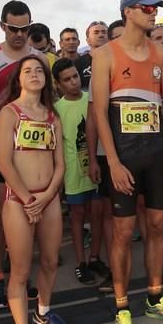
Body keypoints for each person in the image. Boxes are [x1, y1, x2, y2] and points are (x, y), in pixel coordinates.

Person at [92, 0, 163, 324]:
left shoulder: (159, 50)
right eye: (148, 8)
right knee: (123, 231)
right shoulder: (105, 55)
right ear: (128, 11)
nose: (154, 13)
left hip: (158, 152)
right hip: (124, 156)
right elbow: (100, 113)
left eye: (156, 8)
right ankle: (121, 306)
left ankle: (154, 297)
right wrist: (112, 162)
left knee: (159, 225)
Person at [0, 0, 46, 309]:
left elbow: (48, 107)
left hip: (29, 154)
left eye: (25, 28)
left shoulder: (38, 58)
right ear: (2, 26)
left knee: (28, 217)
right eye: (13, 28)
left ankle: (21, 274)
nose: (19, 34)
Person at [0, 55, 68, 324]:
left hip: (47, 199)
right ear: (18, 79)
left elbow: (60, 163)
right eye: (28, 70)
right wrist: (28, 200)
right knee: (21, 271)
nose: (34, 74)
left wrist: (48, 194)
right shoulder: (9, 113)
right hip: (19, 202)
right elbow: (4, 163)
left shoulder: (53, 115)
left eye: (40, 70)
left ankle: (43, 312)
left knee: (50, 261)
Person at [53, 58, 105, 286]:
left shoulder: (91, 100)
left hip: (97, 166)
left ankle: (95, 257)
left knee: (98, 213)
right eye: (67, 79)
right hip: (73, 171)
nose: (74, 82)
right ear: (58, 84)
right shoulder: (56, 110)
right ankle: (80, 262)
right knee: (76, 216)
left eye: (75, 76)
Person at [76, 21, 108, 90]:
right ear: (88, 40)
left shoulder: (118, 60)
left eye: (104, 32)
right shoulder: (78, 63)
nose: (101, 35)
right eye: (96, 32)